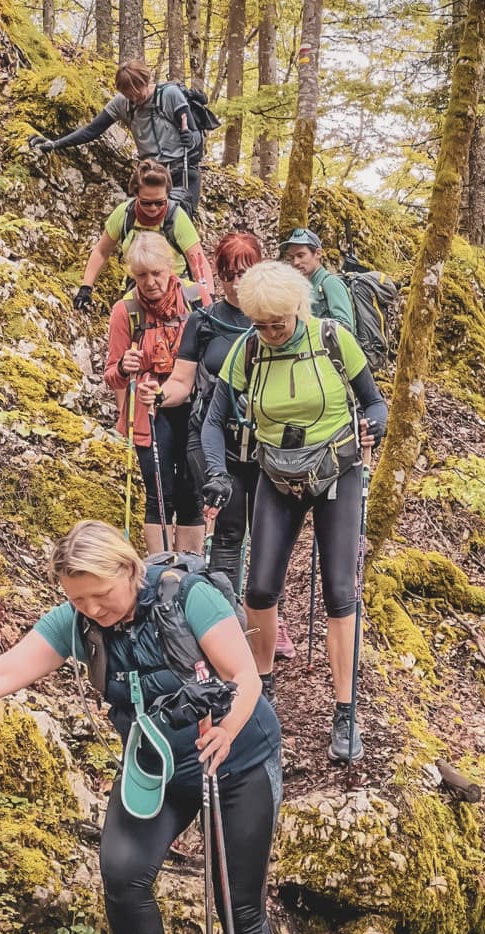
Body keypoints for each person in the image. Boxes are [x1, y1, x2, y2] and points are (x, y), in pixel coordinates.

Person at [0, 520, 282, 934]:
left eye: (101, 594)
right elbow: (6, 670)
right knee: (122, 879)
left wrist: (227, 730)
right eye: (78, 599)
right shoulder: (77, 624)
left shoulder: (189, 597)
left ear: (128, 569)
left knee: (239, 908)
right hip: (155, 769)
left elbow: (244, 675)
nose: (94, 609)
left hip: (237, 763)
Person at [200, 261, 387, 762]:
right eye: (260, 323)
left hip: (335, 473)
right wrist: (217, 472)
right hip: (275, 475)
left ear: (297, 311)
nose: (270, 332)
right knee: (259, 588)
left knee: (340, 591)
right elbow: (213, 420)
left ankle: (345, 713)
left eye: (278, 323)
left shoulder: (331, 338)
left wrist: (374, 426)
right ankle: (261, 694)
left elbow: (375, 402)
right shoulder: (250, 349)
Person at [139, 231, 298, 659]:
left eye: (242, 273)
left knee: (267, 536)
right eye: (227, 274)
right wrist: (158, 394)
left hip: (267, 444)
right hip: (212, 439)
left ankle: (267, 617)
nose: (233, 283)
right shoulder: (203, 321)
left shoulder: (275, 319)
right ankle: (229, 623)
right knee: (227, 532)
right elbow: (182, 382)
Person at [105, 232, 205, 554]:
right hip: (148, 412)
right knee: (160, 494)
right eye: (141, 275)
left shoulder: (197, 299)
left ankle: (191, 572)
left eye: (156, 273)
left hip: (192, 407)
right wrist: (123, 366)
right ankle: (161, 569)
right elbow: (111, 376)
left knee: (192, 493)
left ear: (170, 267)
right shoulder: (126, 311)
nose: (149, 282)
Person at [29, 59, 205, 217]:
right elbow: (92, 130)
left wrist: (190, 139)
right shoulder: (122, 102)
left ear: (147, 82)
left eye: (137, 94)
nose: (134, 100)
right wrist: (54, 144)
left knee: (179, 227)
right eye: (129, 95)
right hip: (152, 175)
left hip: (182, 172)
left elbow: (195, 135)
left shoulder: (170, 95)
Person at [73, 160, 214, 314]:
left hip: (175, 290)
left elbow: (198, 261)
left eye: (160, 203)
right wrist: (86, 287)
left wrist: (207, 300)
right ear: (136, 195)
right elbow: (101, 251)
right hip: (136, 288)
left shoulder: (177, 218)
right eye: (146, 203)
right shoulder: (124, 214)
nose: (153, 208)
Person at [278, 228, 355, 332]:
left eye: (300, 255)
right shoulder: (303, 287)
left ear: (318, 253)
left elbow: (346, 327)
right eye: (291, 258)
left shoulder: (331, 283)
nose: (295, 262)